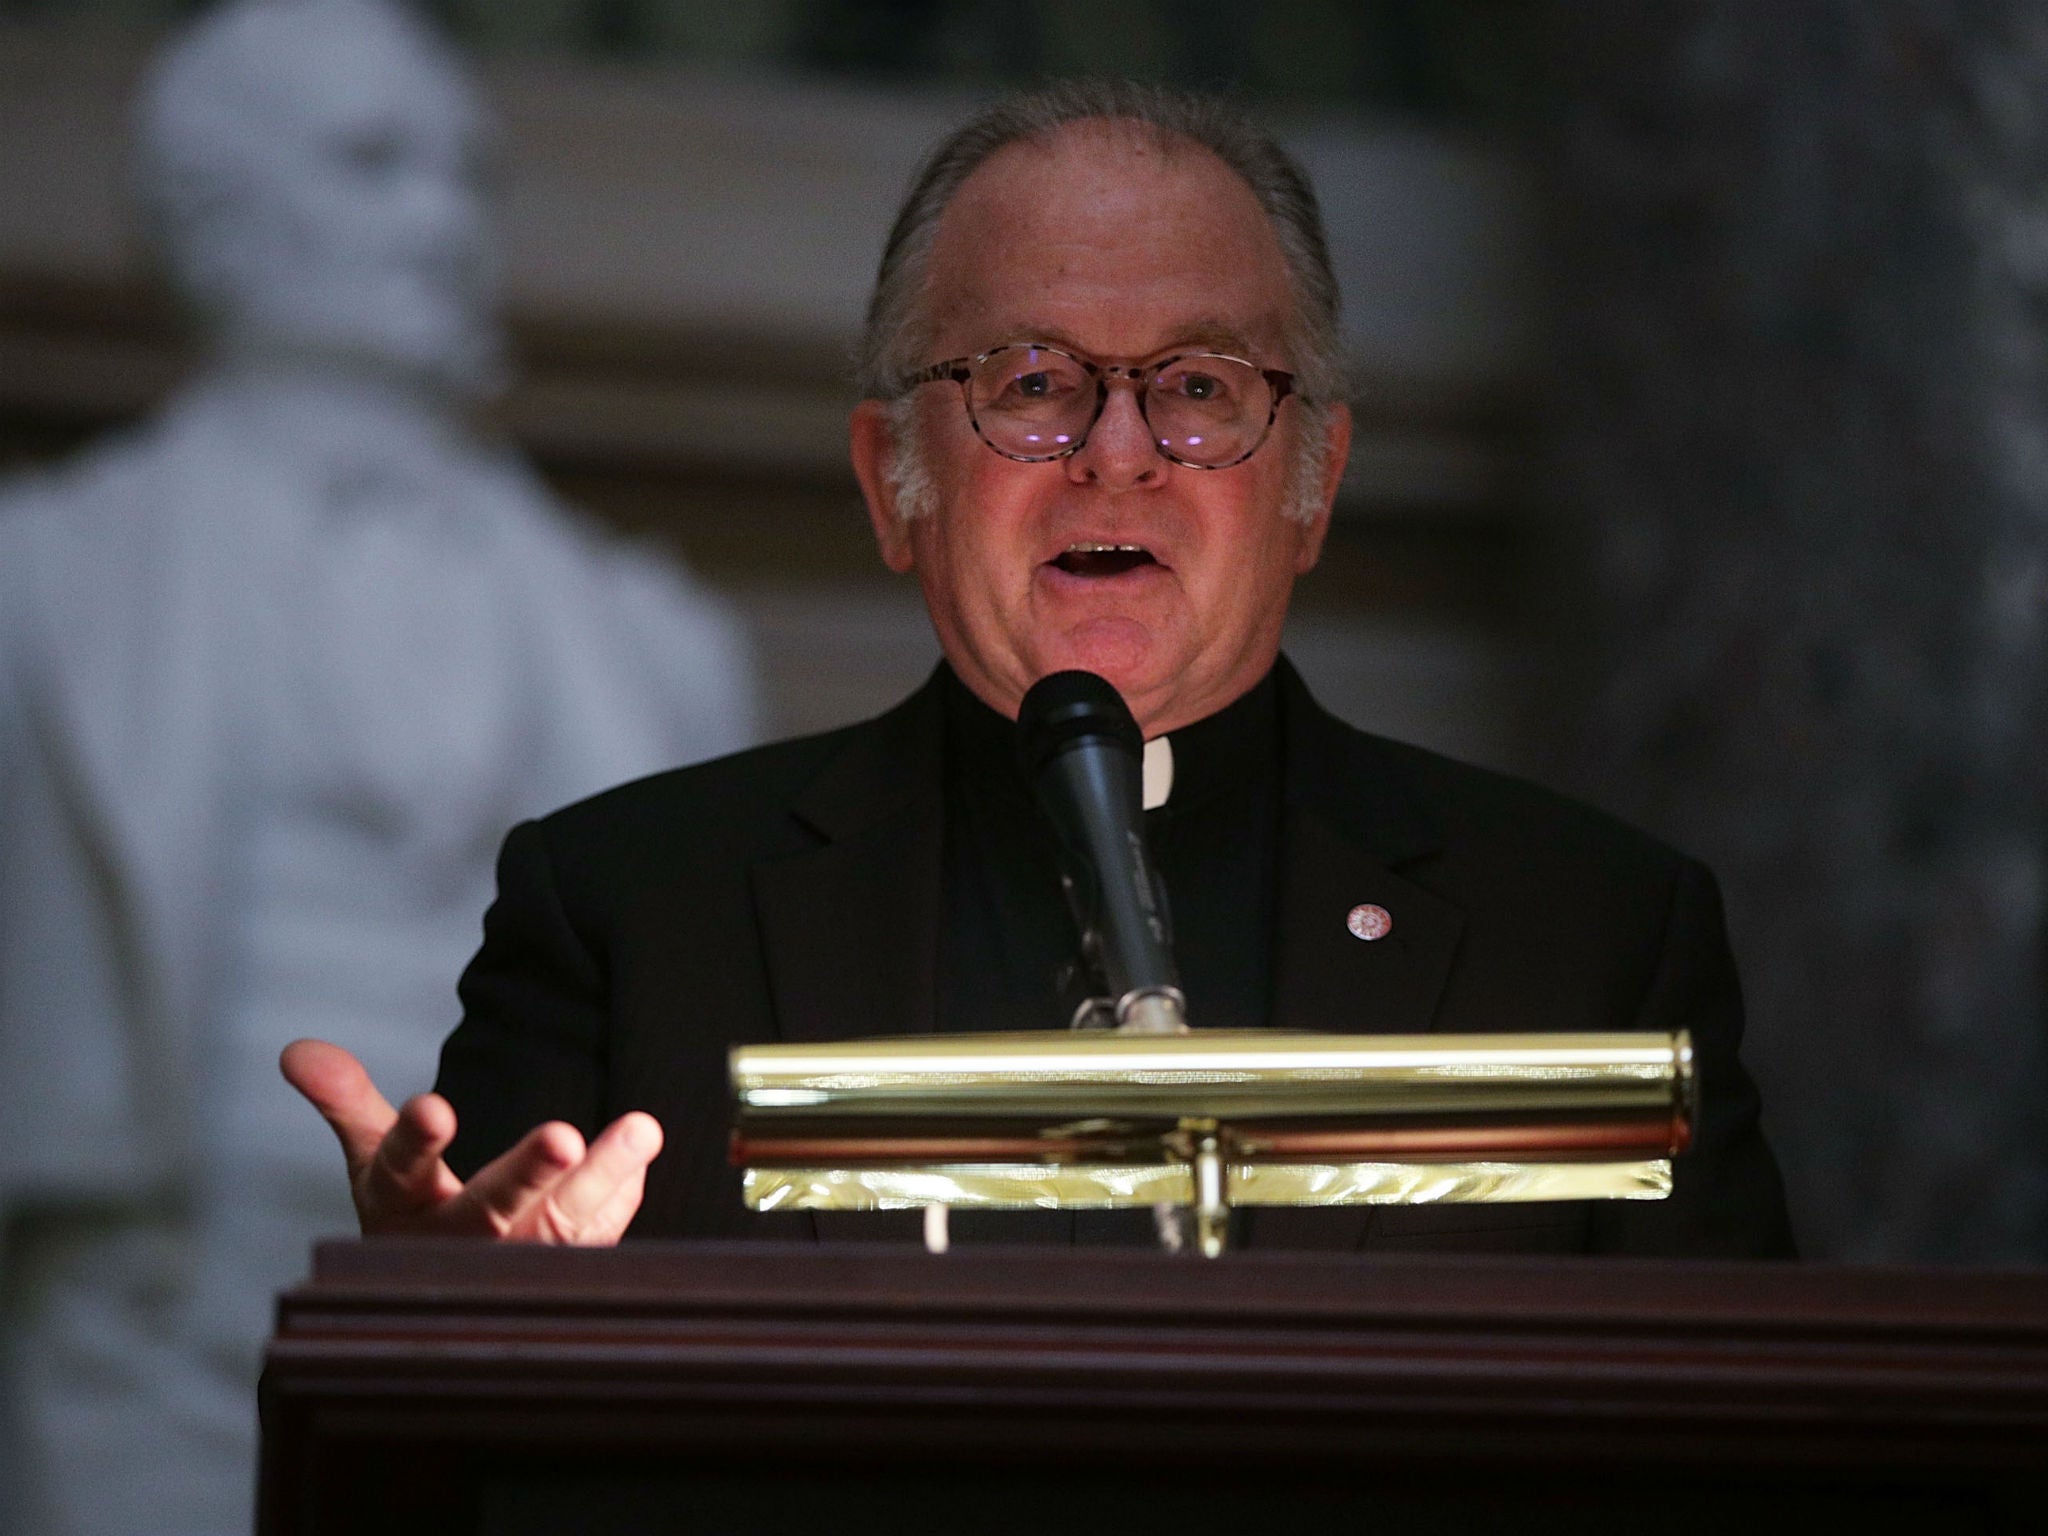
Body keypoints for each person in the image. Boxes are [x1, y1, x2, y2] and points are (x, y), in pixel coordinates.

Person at [285, 81, 1794, 1258]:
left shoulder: (1592, 939)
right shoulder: (629, 916)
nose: (1118, 457)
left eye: (1200, 389)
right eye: (1030, 385)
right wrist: (456, 1308)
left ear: (1315, 482)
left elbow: (1748, 1456)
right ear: (892, 482)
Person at [0, 1, 754, 1530]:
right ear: (211, 217)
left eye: (467, 175)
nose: (442, 219)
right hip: (156, 1338)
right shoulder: (43, 584)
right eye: (372, 163)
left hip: (557, 1340)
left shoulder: (652, 636)